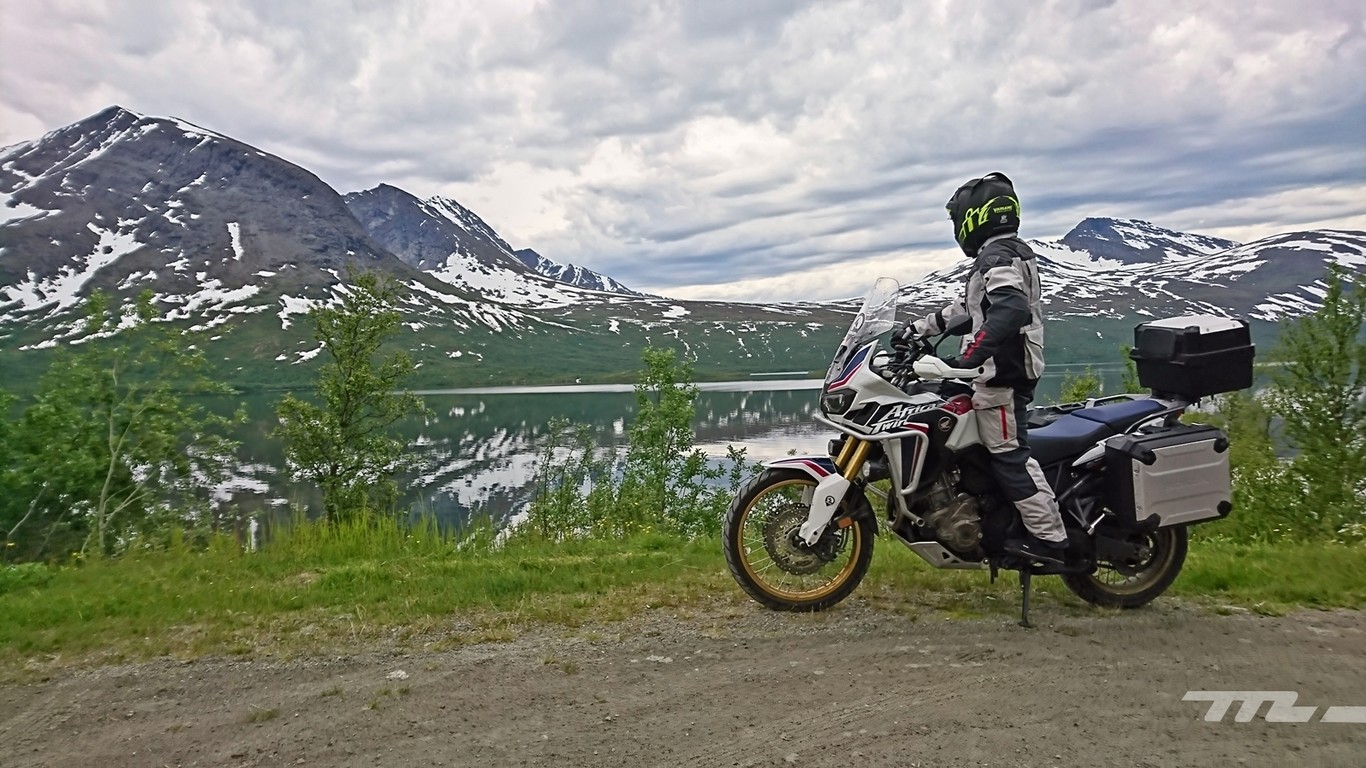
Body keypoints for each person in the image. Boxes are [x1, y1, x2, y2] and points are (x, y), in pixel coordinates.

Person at [896, 172, 1068, 565]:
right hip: (988, 376)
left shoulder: (998, 257)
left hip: (1001, 379)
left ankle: (1050, 541)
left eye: (959, 218)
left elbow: (1010, 308)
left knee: (1010, 457)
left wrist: (970, 357)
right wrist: (916, 330)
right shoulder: (1002, 254)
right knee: (940, 416)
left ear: (975, 216)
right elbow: (969, 310)